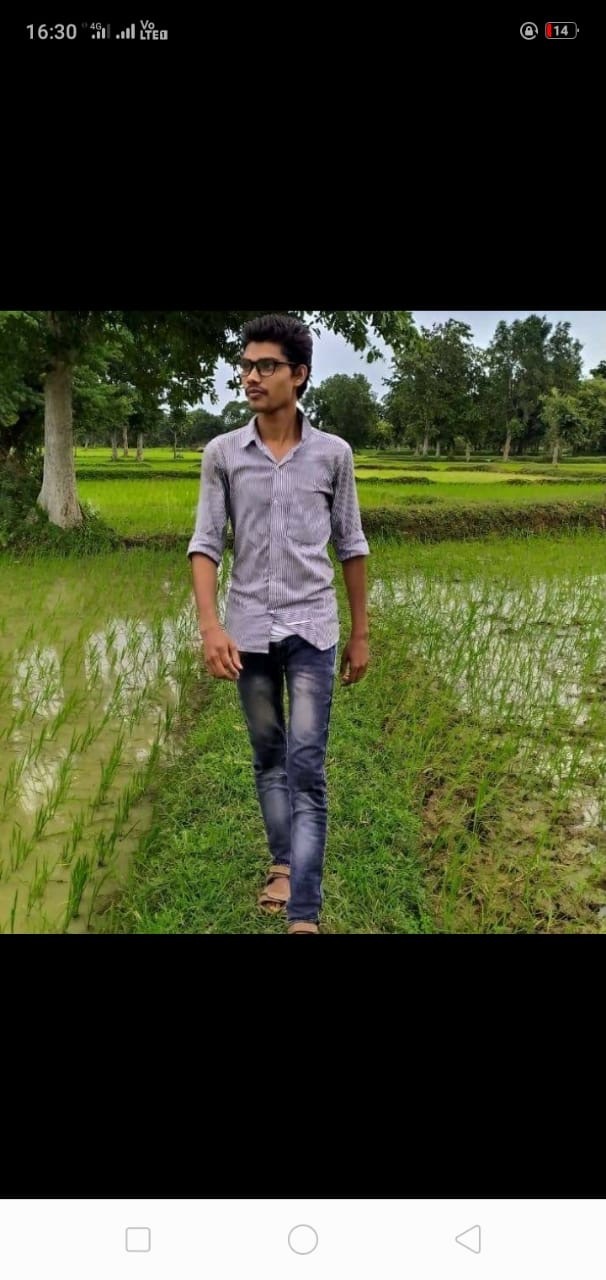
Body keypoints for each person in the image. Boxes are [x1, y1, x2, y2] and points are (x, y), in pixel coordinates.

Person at [187, 314, 370, 933]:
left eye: (266, 366)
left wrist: (361, 634)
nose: (251, 377)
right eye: (246, 365)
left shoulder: (333, 455)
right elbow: (206, 543)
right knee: (268, 756)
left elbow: (351, 544)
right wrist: (211, 627)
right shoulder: (222, 454)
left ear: (299, 374)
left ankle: (304, 913)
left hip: (314, 627)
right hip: (248, 630)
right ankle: (283, 862)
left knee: (307, 766)